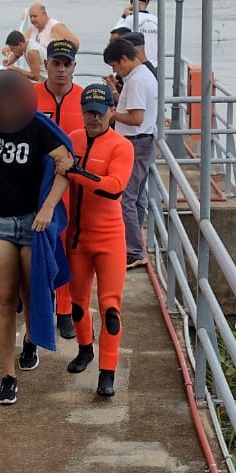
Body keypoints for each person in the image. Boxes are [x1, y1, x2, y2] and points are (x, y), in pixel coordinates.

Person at [0, 69, 72, 406]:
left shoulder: (36, 126)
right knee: (3, 301)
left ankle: (31, 339)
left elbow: (66, 162)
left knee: (32, 296)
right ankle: (7, 374)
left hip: (32, 224)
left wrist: (48, 208)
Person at [65, 82, 135, 400]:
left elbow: (113, 187)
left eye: (99, 111)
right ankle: (84, 350)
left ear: (110, 110)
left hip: (109, 239)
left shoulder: (121, 147)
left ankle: (108, 372)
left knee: (110, 308)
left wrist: (75, 172)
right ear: (81, 111)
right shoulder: (73, 140)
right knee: (77, 305)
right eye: (88, 111)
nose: (94, 117)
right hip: (76, 239)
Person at [34, 37, 83, 341]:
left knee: (67, 250)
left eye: (67, 64)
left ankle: (64, 311)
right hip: (38, 186)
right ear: (46, 65)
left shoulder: (84, 99)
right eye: (56, 63)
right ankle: (39, 306)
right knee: (36, 247)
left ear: (74, 67)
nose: (61, 70)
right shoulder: (30, 97)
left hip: (73, 188)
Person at [103, 34, 158, 269]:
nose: (116, 70)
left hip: (135, 142)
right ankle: (136, 245)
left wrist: (111, 115)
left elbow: (135, 118)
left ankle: (134, 251)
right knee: (138, 197)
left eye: (115, 65)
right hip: (144, 141)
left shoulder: (136, 80)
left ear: (124, 59)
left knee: (126, 197)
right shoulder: (144, 74)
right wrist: (116, 93)